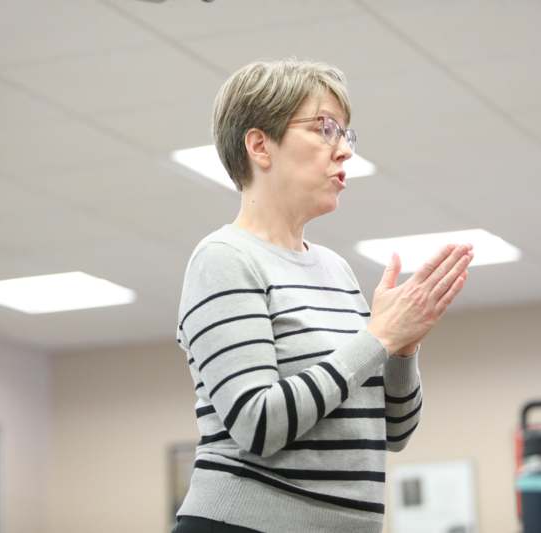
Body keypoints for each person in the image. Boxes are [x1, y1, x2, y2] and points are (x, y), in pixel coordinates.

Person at [173, 58, 473, 533]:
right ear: (259, 145)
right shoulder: (224, 258)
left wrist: (402, 347)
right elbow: (258, 424)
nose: (344, 151)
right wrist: (377, 337)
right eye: (324, 129)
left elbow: (393, 432)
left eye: (345, 134)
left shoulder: (337, 270)